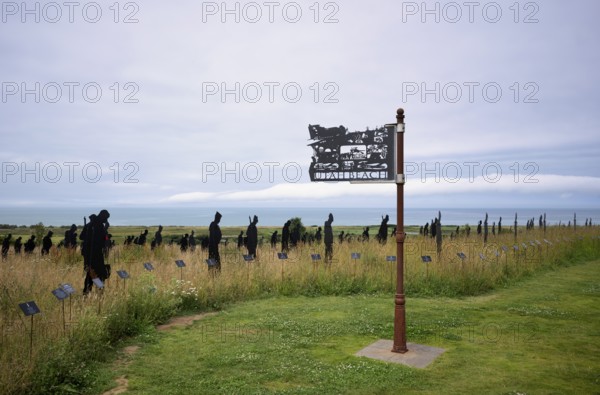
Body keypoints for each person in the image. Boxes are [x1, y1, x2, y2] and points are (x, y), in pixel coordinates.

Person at [81, 210, 111, 294]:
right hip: (95, 254)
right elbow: (100, 240)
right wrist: (105, 229)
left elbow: (82, 237)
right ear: (102, 216)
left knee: (90, 274)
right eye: (106, 218)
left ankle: (87, 292)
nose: (106, 220)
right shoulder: (98, 225)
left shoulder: (89, 225)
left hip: (89, 254)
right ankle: (99, 291)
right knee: (98, 274)